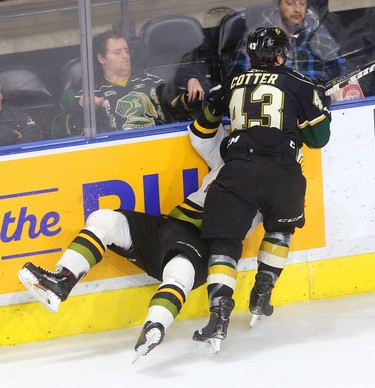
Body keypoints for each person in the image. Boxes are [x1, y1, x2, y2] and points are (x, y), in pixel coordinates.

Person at [18, 113, 251, 360]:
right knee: (104, 220)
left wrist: (260, 287)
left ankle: (155, 326)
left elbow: (276, 230)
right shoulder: (228, 159)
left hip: (202, 244)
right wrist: (212, 104)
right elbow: (200, 136)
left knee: (179, 272)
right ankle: (62, 281)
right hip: (167, 228)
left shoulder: (271, 185)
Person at [192, 26, 331, 351]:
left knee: (224, 244)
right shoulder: (300, 84)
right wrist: (321, 107)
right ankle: (263, 288)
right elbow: (318, 139)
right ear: (282, 54)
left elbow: (203, 126)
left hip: (239, 170)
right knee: (280, 231)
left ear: (252, 55)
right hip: (283, 173)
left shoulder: (230, 84)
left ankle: (219, 312)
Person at [52, 29, 206, 138]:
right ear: (101, 58)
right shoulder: (93, 88)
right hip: (114, 155)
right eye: (117, 52)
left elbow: (179, 103)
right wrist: (81, 102)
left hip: (157, 148)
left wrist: (192, 86)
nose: (125, 56)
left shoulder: (150, 82)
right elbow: (65, 101)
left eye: (126, 51)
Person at [244, 0, 364, 100]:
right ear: (278, 6)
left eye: (302, 4)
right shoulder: (259, 39)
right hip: (276, 106)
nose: (297, 9)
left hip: (317, 106)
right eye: (290, 3)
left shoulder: (320, 36)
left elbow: (342, 74)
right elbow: (245, 80)